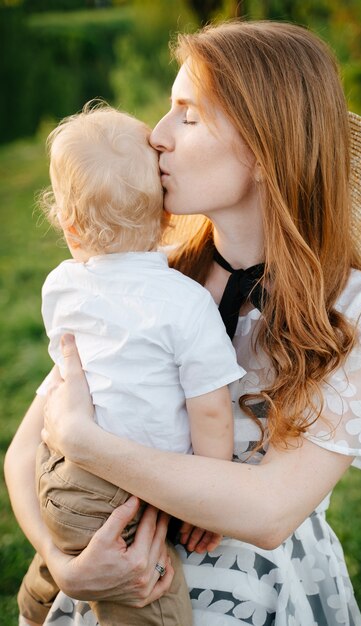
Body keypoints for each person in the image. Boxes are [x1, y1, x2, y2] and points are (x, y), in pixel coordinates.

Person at [5, 20, 361, 626]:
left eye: (186, 116)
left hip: (259, 596)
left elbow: (269, 512)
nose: (157, 136)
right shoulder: (148, 281)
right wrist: (60, 563)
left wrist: (85, 443)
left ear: (264, 147)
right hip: (118, 580)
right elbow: (22, 453)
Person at [14, 103, 245, 626]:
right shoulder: (186, 303)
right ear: (167, 218)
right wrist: (207, 500)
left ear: (70, 229)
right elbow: (210, 413)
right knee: (150, 605)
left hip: (58, 473)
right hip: (126, 494)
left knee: (69, 533)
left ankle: (34, 605)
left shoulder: (62, 287)